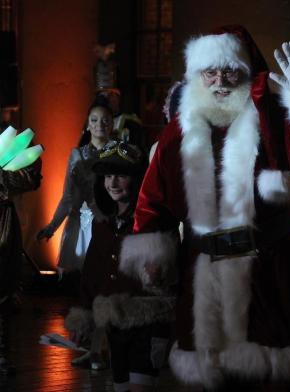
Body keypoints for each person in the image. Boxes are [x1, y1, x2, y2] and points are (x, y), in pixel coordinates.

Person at [118, 25, 290, 392]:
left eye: (230, 71)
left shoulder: (275, 120)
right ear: (197, 76)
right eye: (211, 72)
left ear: (246, 72)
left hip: (272, 274)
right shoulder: (178, 133)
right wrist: (152, 253)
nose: (220, 81)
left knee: (275, 378)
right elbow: (152, 199)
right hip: (205, 276)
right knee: (215, 378)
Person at [64, 140, 175, 392]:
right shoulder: (103, 224)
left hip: (147, 322)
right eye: (108, 176)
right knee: (120, 386)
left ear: (136, 179)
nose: (112, 183)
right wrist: (85, 316)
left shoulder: (151, 221)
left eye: (121, 176)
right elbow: (92, 271)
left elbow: (168, 270)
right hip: (115, 324)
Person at [36, 103, 113, 274]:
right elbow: (68, 196)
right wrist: (52, 226)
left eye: (105, 120)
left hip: (109, 222)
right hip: (82, 225)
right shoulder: (77, 155)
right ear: (88, 125)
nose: (100, 125)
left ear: (112, 124)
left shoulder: (119, 153)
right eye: (94, 120)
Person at [0, 123, 42, 374]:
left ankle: (2, 350)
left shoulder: (8, 146)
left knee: (2, 287)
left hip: (2, 227)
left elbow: (29, 178)